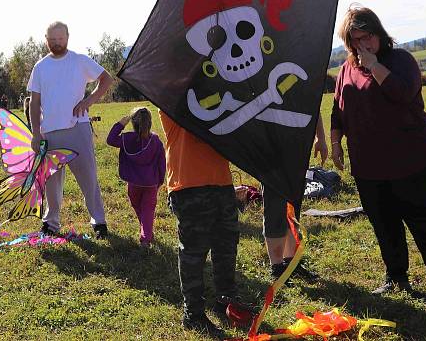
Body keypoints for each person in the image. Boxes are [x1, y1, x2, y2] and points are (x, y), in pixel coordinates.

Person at [330, 5, 426, 305]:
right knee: (383, 222)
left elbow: (403, 94)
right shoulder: (346, 69)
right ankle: (396, 276)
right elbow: (339, 109)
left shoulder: (400, 60)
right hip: (369, 165)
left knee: (423, 221)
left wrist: (375, 65)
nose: (362, 45)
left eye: (368, 37)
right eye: (355, 40)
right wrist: (336, 142)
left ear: (379, 34)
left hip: (411, 160)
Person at [159, 111, 250, 338]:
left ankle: (226, 301)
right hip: (188, 187)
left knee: (226, 247)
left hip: (221, 184)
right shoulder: (173, 97)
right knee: (193, 254)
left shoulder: (219, 94)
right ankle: (194, 315)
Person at [27, 21, 113, 238]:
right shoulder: (40, 67)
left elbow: (106, 79)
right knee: (52, 181)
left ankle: (99, 222)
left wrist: (89, 101)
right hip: (50, 133)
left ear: (68, 37)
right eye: (52, 40)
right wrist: (36, 133)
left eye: (61, 39)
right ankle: (51, 224)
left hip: (78, 128)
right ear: (46, 40)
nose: (57, 43)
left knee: (88, 177)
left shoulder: (79, 60)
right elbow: (34, 102)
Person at [262, 116, 327, 282]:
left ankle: (291, 263)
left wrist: (321, 137)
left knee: (293, 209)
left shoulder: (303, 88)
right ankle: (277, 267)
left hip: (297, 151)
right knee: (275, 208)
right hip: (270, 154)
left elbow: (313, 105)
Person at [106, 107, 165, 247]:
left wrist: (120, 123)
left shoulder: (127, 139)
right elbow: (162, 163)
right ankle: (146, 235)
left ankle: (146, 233)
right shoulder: (156, 141)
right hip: (151, 183)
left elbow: (110, 140)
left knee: (138, 207)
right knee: (148, 210)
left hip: (133, 182)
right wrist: (160, 181)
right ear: (149, 123)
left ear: (133, 123)